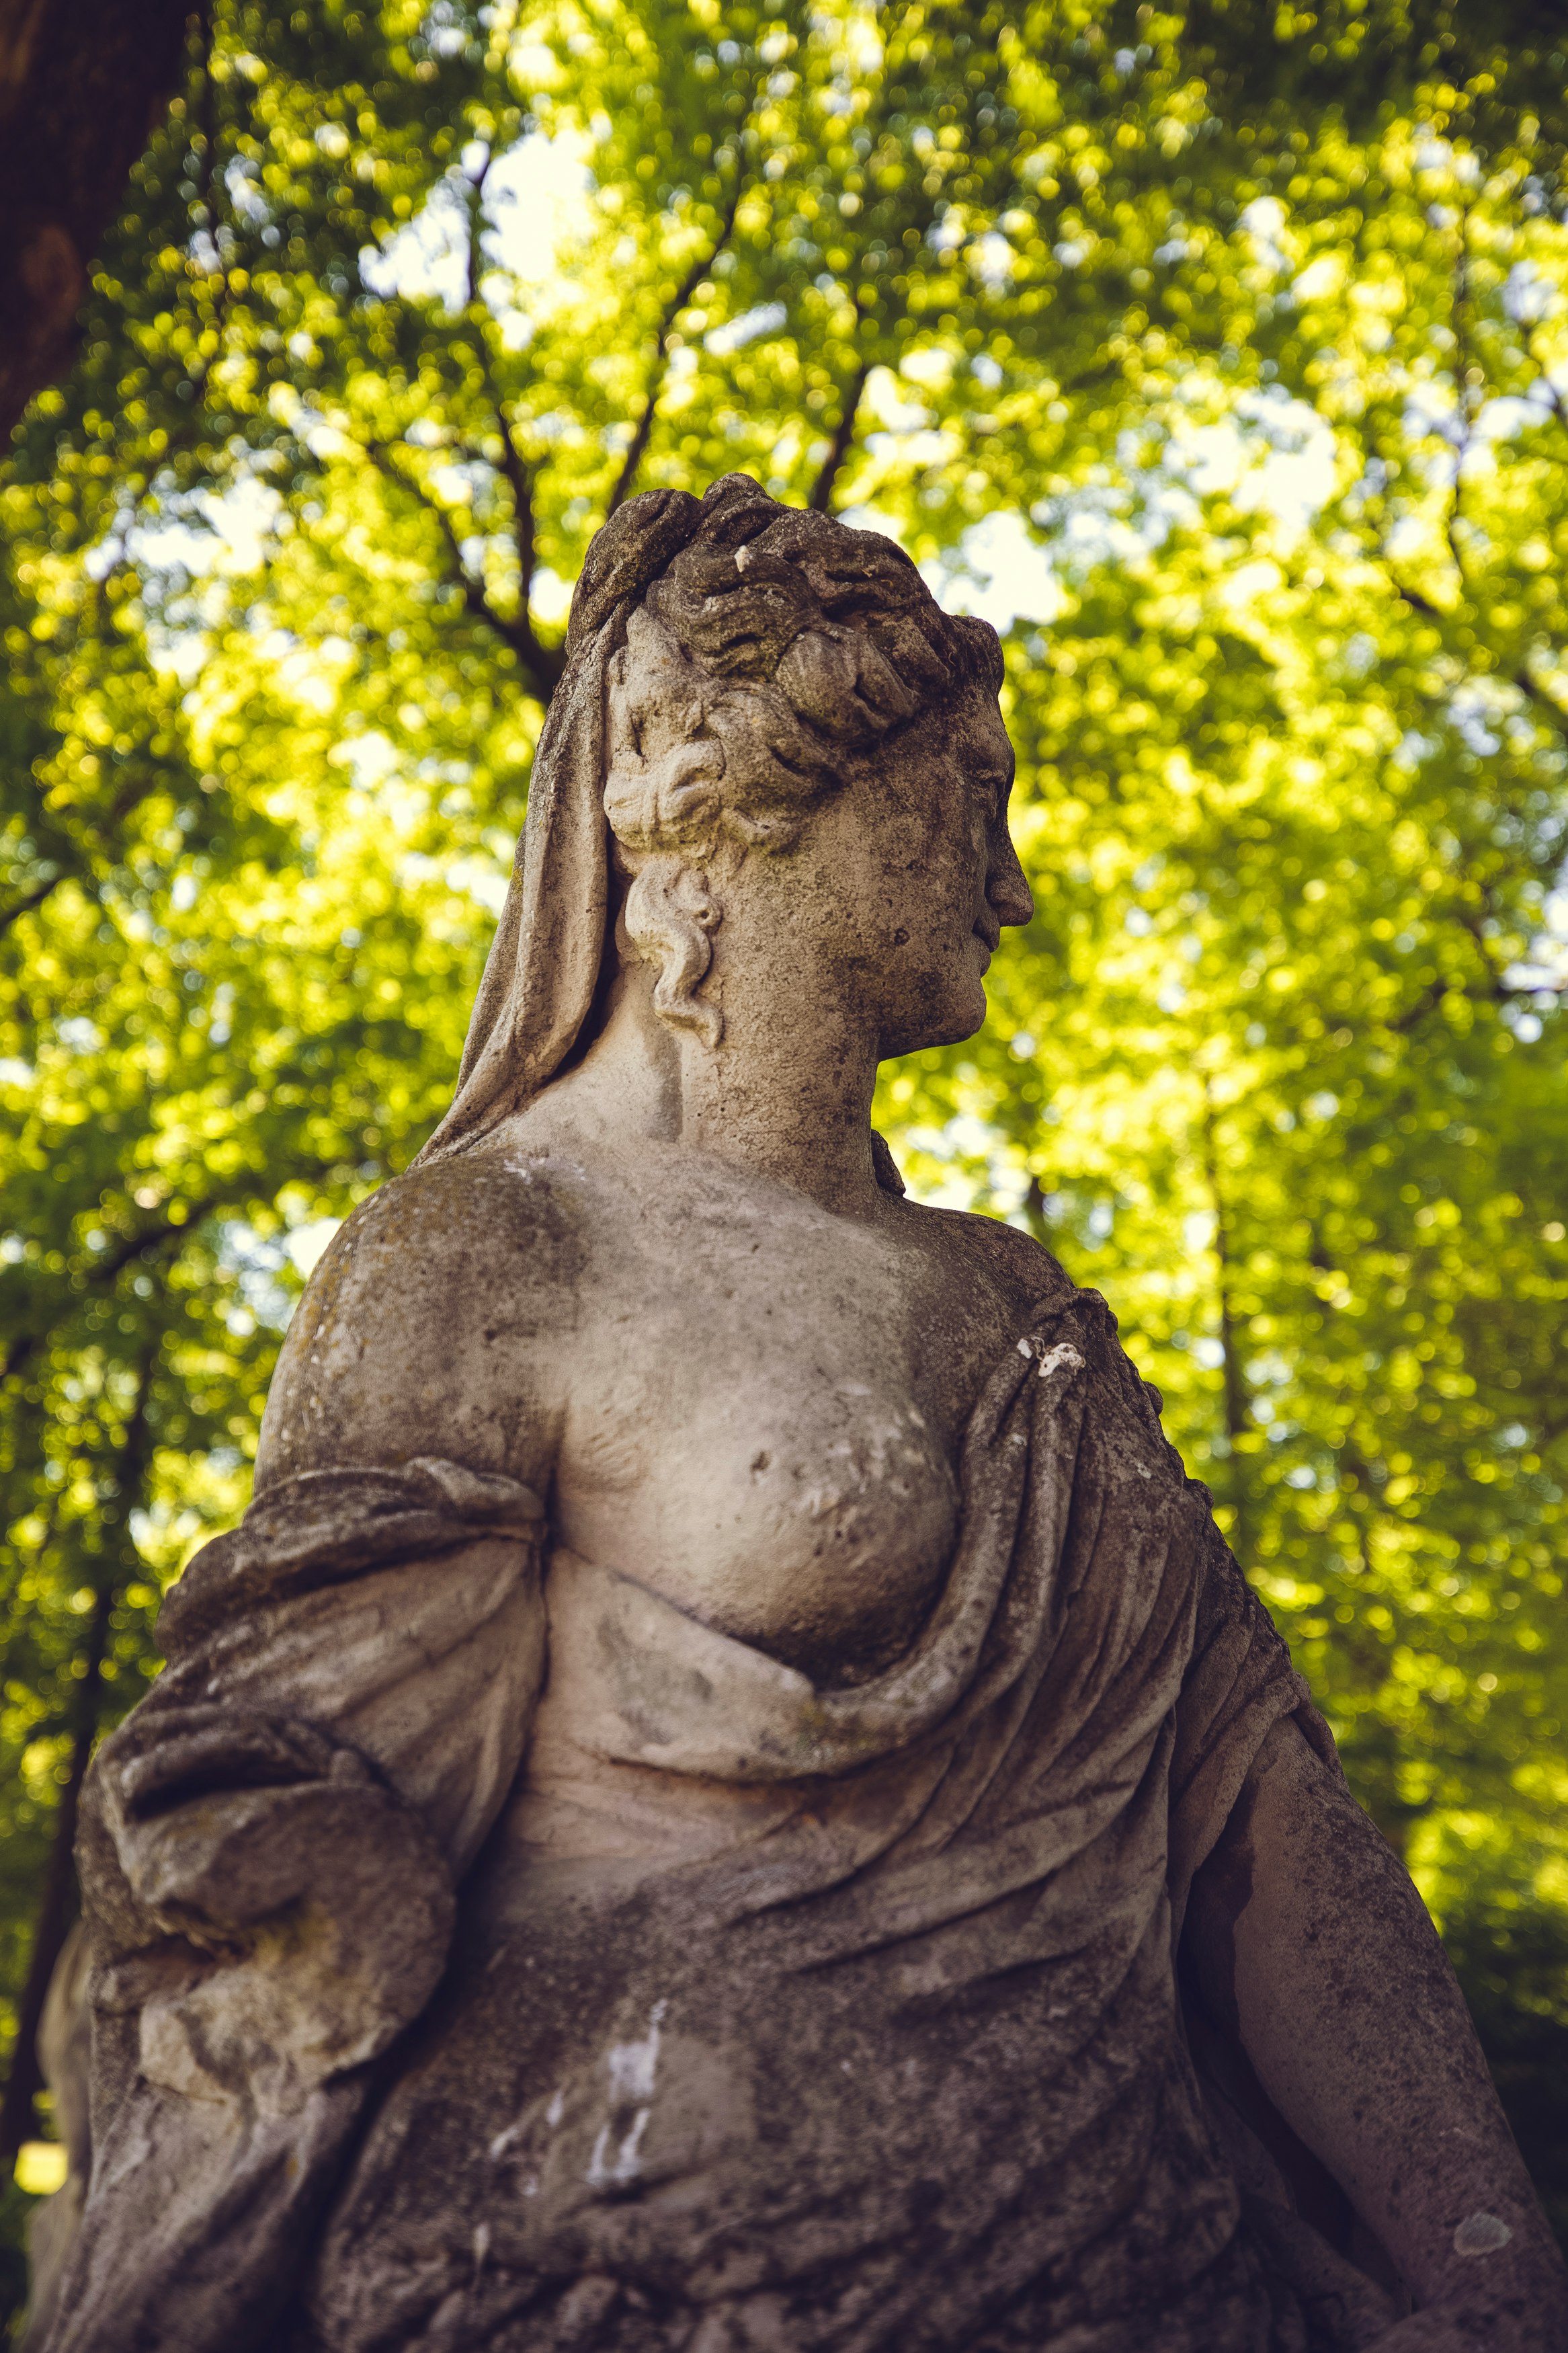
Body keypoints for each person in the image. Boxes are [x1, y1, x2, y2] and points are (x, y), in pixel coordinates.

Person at [34, 477, 1567, 2353]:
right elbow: (252, 1826)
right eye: (973, 799)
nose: (1009, 881)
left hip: (1151, 2272)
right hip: (627, 2276)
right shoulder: (488, 1249)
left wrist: (1481, 2246)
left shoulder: (1017, 1303)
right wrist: (308, 1881)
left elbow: (1255, 1796)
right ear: (781, 785)